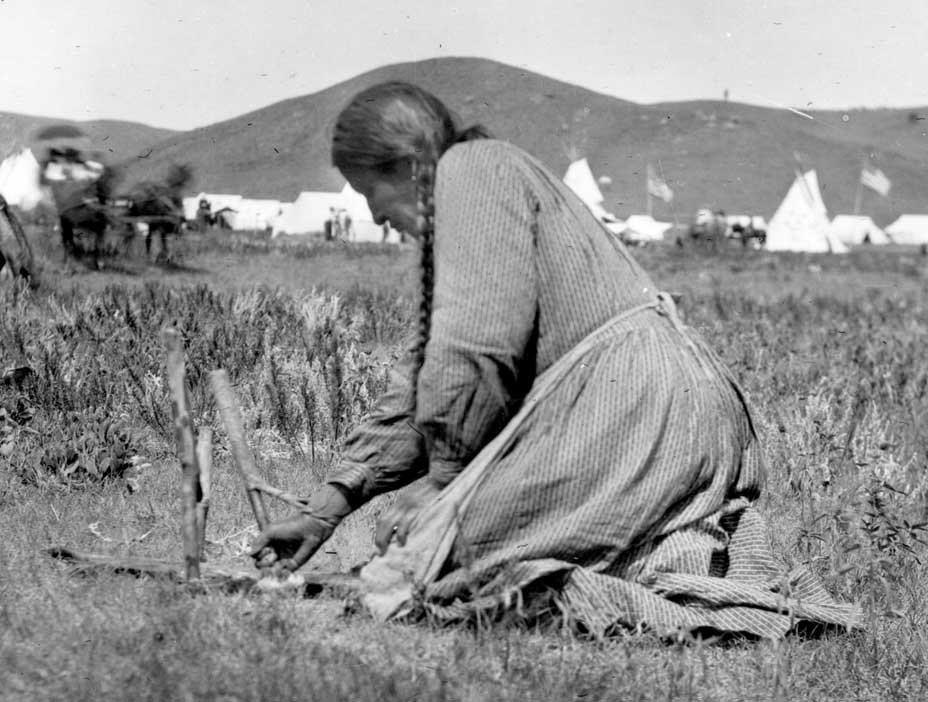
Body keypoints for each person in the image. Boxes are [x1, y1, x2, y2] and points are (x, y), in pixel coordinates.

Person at [250, 82, 857, 638]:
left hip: (633, 411)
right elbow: (425, 375)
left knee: (434, 568)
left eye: (369, 194)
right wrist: (325, 510)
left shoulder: (470, 171)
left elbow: (476, 346)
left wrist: (445, 480)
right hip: (676, 407)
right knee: (428, 555)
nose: (377, 217)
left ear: (409, 165)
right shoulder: (487, 178)